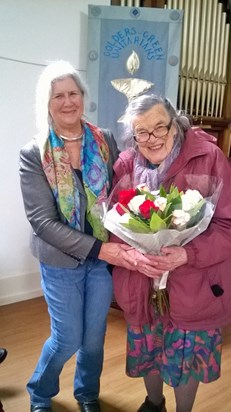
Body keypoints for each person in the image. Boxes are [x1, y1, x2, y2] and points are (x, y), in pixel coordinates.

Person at [19, 61, 158, 412]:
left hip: (102, 262)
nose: (68, 102)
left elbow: (120, 192)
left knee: (94, 340)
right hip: (61, 260)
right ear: (46, 103)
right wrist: (101, 249)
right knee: (67, 338)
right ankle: (39, 391)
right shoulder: (34, 153)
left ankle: (87, 395)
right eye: (59, 96)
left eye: (74, 93)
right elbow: (41, 221)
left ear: (83, 97)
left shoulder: (105, 139)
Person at [111, 94, 231, 412]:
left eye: (160, 127)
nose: (151, 139)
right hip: (141, 280)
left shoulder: (209, 157)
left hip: (194, 281)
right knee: (147, 345)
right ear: (132, 135)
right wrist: (132, 255)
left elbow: (227, 226)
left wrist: (186, 254)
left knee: (187, 353)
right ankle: (154, 403)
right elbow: (112, 224)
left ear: (176, 126)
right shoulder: (125, 164)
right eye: (141, 132)